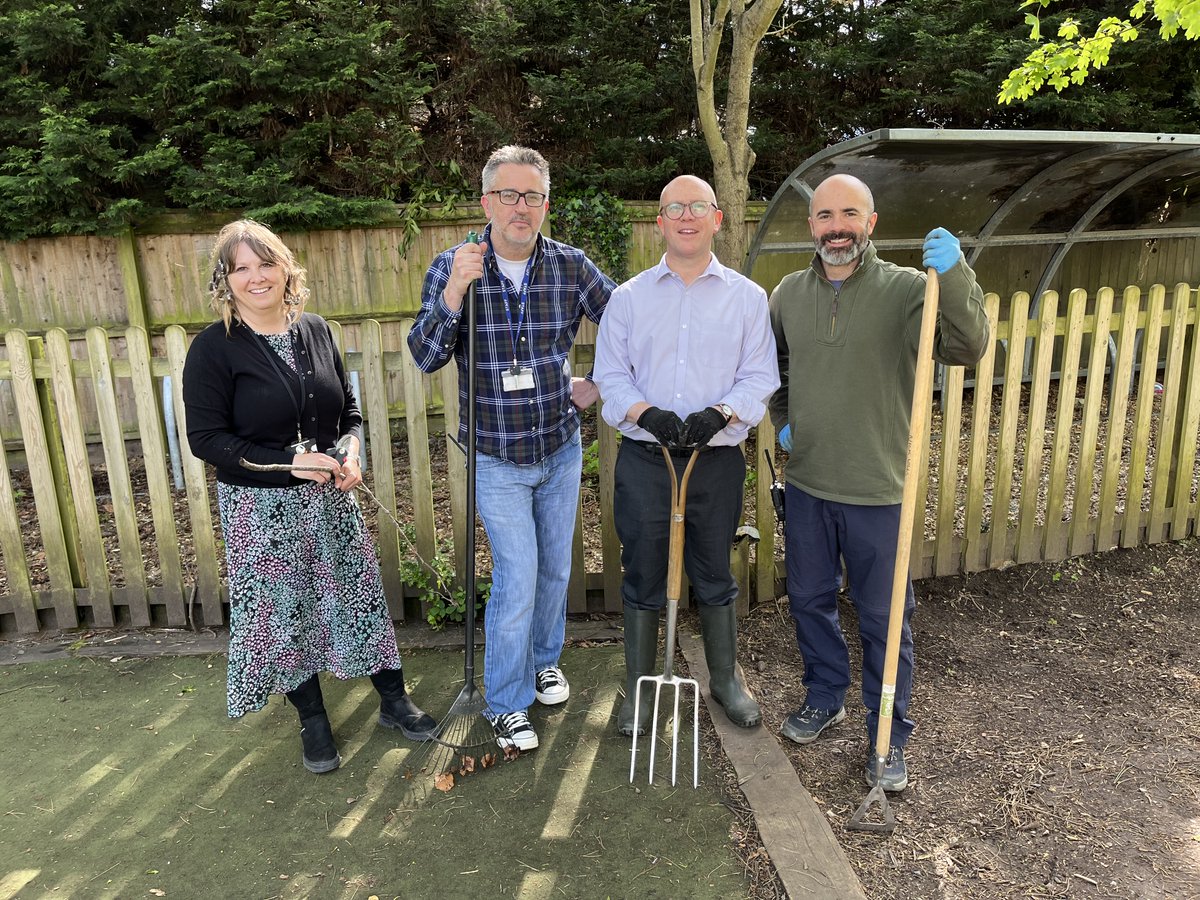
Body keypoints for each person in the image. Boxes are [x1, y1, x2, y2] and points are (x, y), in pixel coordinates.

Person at [182, 219, 435, 775]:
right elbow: (207, 441)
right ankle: (313, 720)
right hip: (260, 509)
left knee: (359, 598)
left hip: (331, 501)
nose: (256, 277)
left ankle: (394, 702)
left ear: (285, 268)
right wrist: (291, 463)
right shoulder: (213, 349)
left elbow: (347, 409)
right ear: (225, 281)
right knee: (288, 611)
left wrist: (350, 453)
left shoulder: (316, 329)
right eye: (240, 268)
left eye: (265, 263)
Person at [768, 174, 990, 792]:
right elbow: (776, 366)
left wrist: (962, 276)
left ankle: (887, 735)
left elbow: (967, 347)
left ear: (870, 221)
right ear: (810, 225)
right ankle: (824, 695)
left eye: (849, 214)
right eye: (823, 216)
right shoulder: (787, 293)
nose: (835, 227)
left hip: (880, 487)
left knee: (884, 618)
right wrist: (785, 421)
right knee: (809, 599)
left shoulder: (910, 290)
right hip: (809, 482)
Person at [407, 146, 614, 751]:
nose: (520, 208)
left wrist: (597, 383)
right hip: (497, 456)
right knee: (518, 577)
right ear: (486, 202)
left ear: (545, 204)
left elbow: (630, 324)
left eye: (532, 196)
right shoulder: (456, 266)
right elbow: (424, 356)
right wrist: (453, 296)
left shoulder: (572, 267)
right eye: (507, 195)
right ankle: (505, 700)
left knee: (553, 568)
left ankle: (545, 660)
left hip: (559, 446)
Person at [593, 175, 780, 736]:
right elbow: (610, 374)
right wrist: (644, 413)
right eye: (674, 208)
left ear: (717, 219)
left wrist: (721, 414)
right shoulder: (627, 299)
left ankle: (725, 681)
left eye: (698, 207)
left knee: (714, 571)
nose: (686, 217)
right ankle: (640, 688)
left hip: (714, 462)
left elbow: (759, 376)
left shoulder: (748, 298)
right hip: (647, 462)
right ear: (660, 223)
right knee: (644, 571)